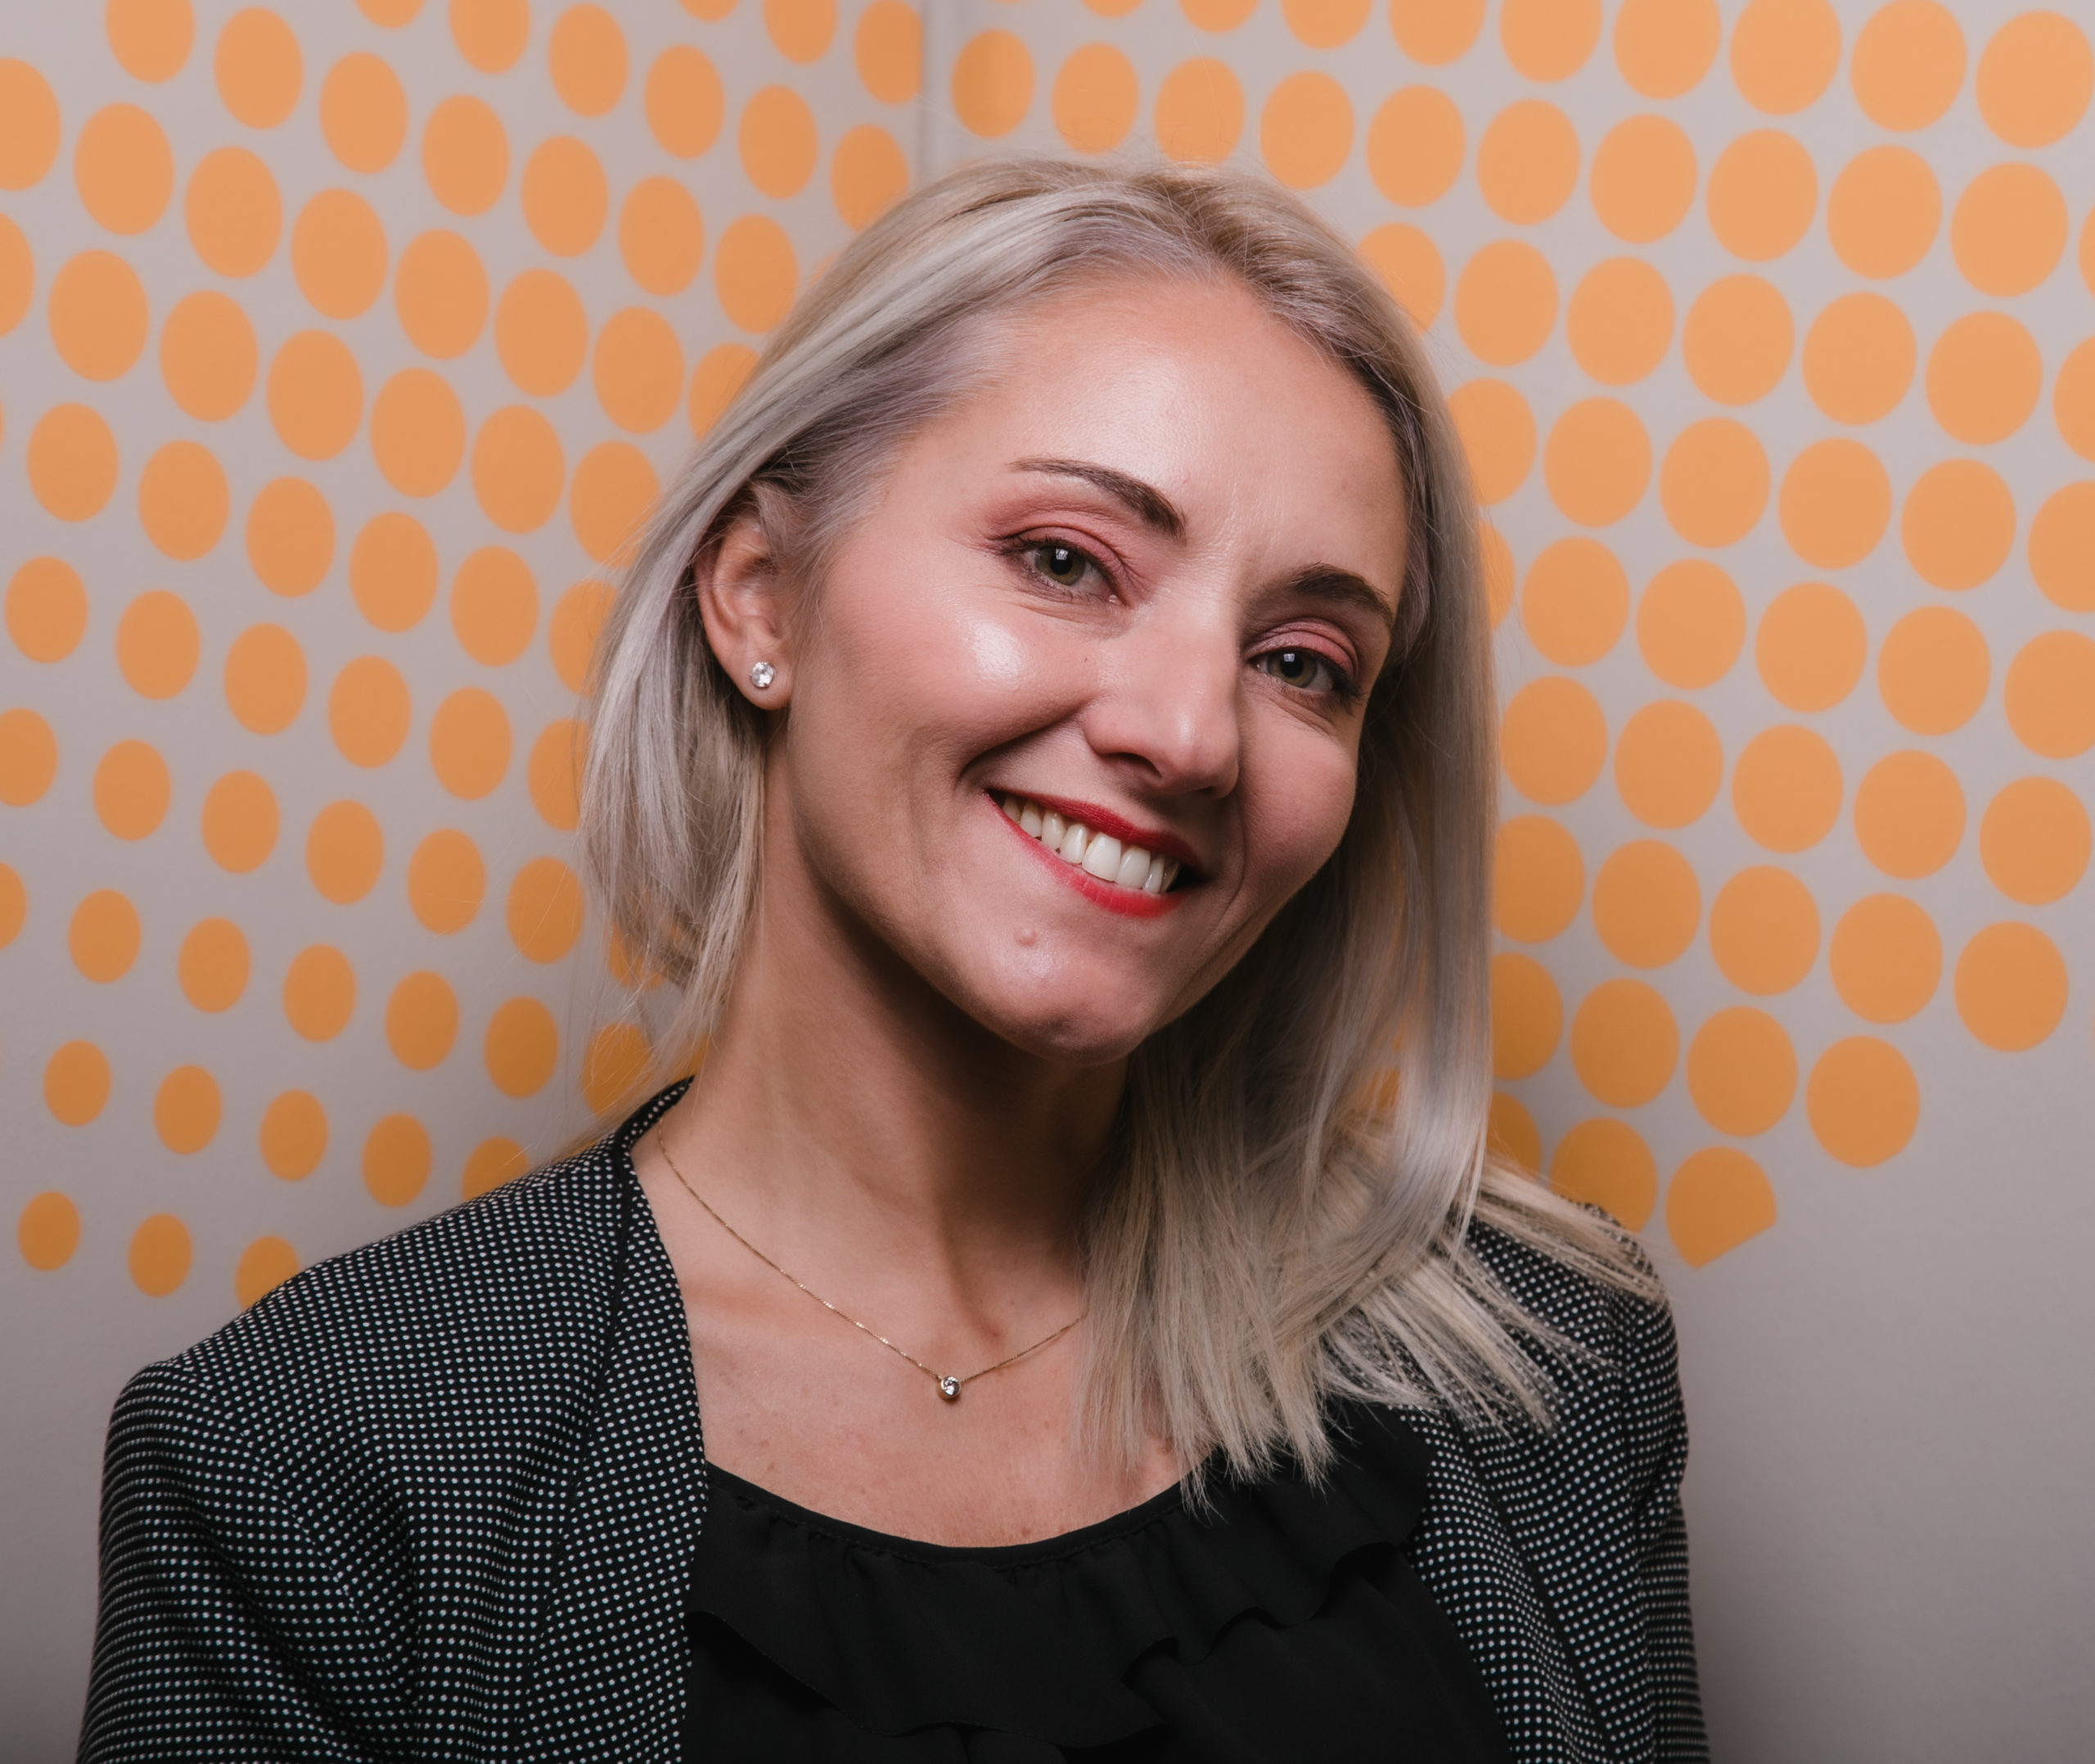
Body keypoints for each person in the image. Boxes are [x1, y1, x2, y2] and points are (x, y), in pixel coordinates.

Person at [79, 159, 1705, 1763]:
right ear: (760, 596)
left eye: (1301, 661)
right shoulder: (305, 1464)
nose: (1192, 733)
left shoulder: (1553, 1367)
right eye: (1066, 561)